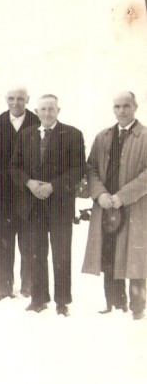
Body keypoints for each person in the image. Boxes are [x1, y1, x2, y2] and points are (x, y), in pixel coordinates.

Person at [10, 94, 85, 316]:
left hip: (59, 204)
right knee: (36, 253)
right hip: (33, 206)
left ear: (58, 110)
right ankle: (38, 298)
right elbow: (14, 167)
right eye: (42, 109)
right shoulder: (26, 136)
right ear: (37, 111)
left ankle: (62, 301)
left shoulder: (72, 134)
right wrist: (29, 182)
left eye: (51, 109)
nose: (47, 113)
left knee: (61, 254)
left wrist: (53, 186)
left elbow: (78, 169)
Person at [82, 91, 147, 320]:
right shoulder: (103, 137)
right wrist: (100, 194)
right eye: (117, 106)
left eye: (126, 106)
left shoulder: (145, 136)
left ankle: (138, 308)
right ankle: (114, 305)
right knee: (109, 254)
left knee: (135, 256)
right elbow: (91, 168)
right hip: (106, 206)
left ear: (135, 107)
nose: (121, 111)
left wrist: (123, 196)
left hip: (135, 208)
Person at [0, 86, 40, 300]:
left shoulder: (37, 122)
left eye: (20, 98)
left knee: (30, 243)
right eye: (12, 98)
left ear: (27, 99)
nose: (16, 102)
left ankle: (30, 287)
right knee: (2, 243)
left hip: (29, 196)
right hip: (2, 195)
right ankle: (2, 288)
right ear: (6, 99)